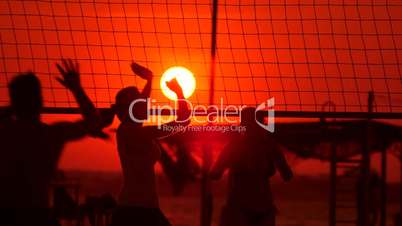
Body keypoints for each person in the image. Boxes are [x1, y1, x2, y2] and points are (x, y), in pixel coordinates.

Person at [0, 59, 105, 226]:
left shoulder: (5, 131)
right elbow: (94, 120)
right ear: (40, 100)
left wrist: (10, 109)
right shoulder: (51, 134)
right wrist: (76, 89)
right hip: (38, 214)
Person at [109, 62, 191, 226]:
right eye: (138, 101)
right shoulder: (134, 132)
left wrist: (150, 80)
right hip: (134, 210)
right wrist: (179, 92)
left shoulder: (132, 128)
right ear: (132, 108)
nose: (144, 103)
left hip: (142, 207)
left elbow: (141, 102)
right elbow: (183, 120)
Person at [210, 107, 293, 226]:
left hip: (242, 209)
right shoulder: (269, 146)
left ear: (243, 124)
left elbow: (215, 174)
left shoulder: (234, 146)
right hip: (261, 208)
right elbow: (287, 176)